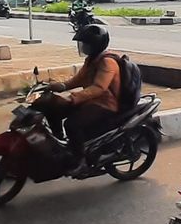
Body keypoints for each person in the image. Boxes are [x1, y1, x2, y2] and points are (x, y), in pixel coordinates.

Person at [44, 24, 122, 173]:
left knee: (72, 124)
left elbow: (99, 88)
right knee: (53, 109)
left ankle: (80, 161)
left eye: (86, 44)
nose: (83, 47)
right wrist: (59, 86)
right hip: (91, 100)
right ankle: (61, 145)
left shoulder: (107, 62)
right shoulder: (91, 60)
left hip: (105, 104)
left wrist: (72, 98)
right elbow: (78, 80)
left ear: (96, 45)